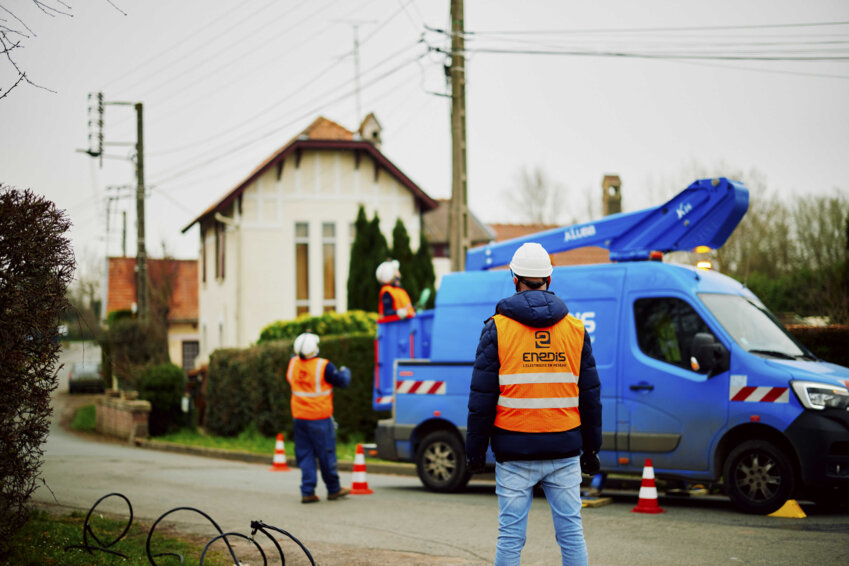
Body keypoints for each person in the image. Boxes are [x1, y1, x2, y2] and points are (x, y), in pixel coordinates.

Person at [465, 242, 602, 566]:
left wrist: (474, 453)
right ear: (549, 279)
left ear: (515, 278)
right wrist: (592, 449)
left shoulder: (496, 329)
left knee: (511, 537)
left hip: (514, 452)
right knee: (571, 534)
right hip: (564, 449)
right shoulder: (576, 329)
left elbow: (481, 399)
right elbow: (591, 396)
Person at [287, 331, 352, 503]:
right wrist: (346, 371)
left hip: (299, 418)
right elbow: (342, 382)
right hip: (320, 418)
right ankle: (333, 489)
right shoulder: (324, 366)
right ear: (315, 348)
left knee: (305, 455)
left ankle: (307, 491)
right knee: (326, 454)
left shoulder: (293, 363)